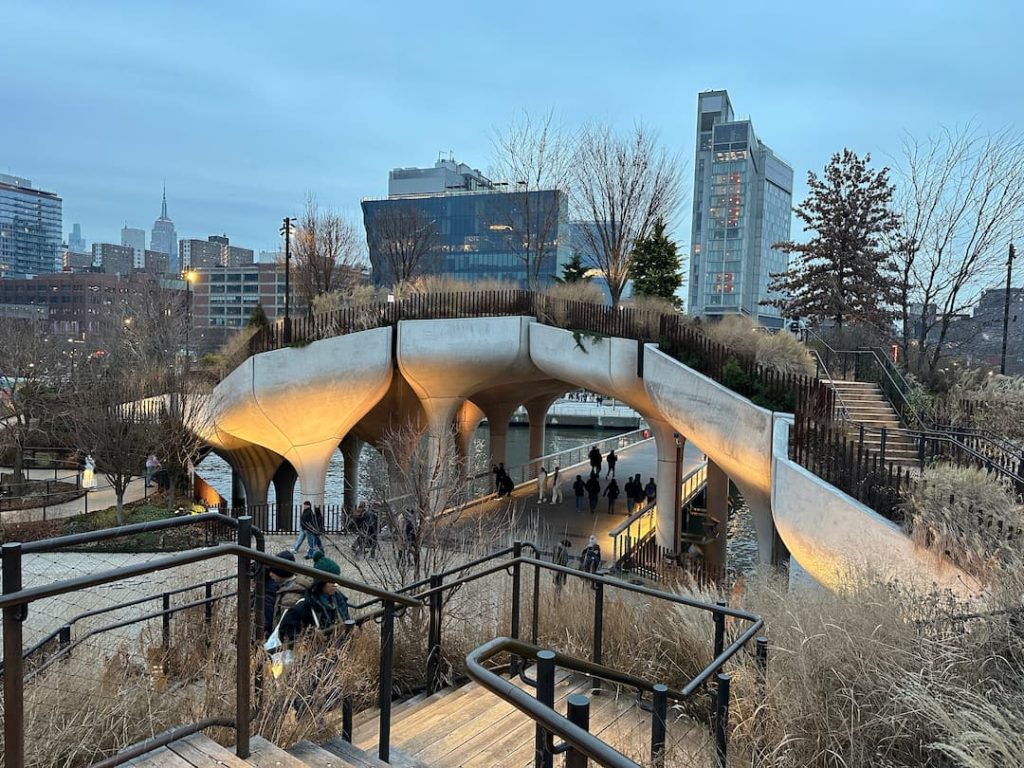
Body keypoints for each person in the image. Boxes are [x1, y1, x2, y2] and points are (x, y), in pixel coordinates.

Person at [277, 552, 351, 644]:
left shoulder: (339, 600)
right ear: (321, 582)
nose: (335, 585)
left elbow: (346, 620)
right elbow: (286, 634)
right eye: (331, 581)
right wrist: (309, 640)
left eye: (337, 580)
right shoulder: (304, 606)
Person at [263, 550, 297, 630]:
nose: (270, 574)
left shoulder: (288, 595)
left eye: (273, 572)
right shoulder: (285, 587)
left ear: (281, 572)